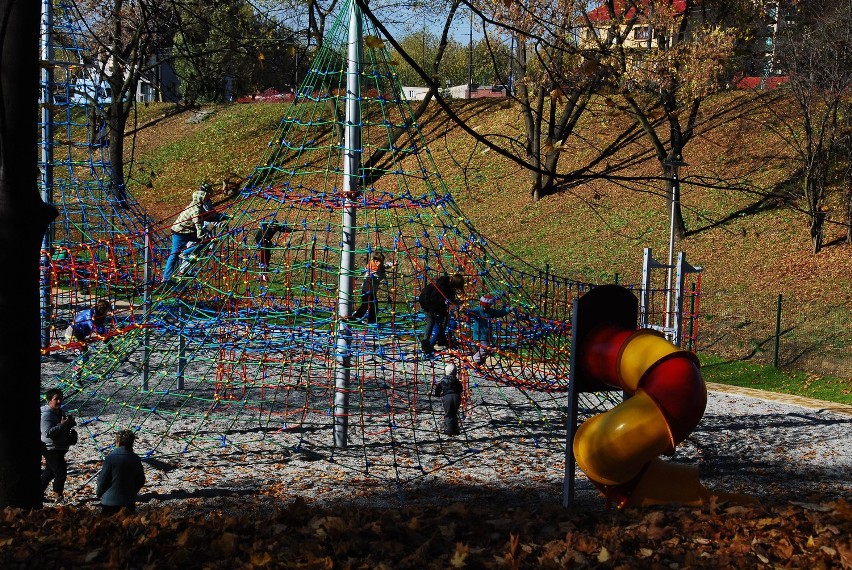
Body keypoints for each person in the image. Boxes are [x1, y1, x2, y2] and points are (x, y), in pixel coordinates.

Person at [162, 184, 210, 283]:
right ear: (200, 198)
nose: (206, 199)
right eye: (204, 197)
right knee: (175, 254)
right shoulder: (195, 209)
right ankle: (184, 254)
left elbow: (209, 215)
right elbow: (198, 224)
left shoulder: (196, 205)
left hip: (184, 231)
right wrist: (202, 236)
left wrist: (221, 216)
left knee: (175, 254)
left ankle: (167, 276)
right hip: (180, 233)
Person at [96, 430, 146, 515]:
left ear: (118, 443)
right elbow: (141, 480)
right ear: (132, 443)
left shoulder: (110, 458)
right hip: (128, 501)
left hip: (109, 502)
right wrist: (132, 492)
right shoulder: (136, 459)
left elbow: (102, 480)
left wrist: (99, 493)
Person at [40, 388, 76, 504]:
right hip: (50, 448)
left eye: (61, 399)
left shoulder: (60, 412)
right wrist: (62, 425)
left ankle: (37, 493)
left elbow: (62, 427)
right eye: (56, 399)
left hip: (59, 447)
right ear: (49, 400)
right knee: (61, 472)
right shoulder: (46, 415)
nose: (59, 401)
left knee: (50, 472)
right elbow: (47, 433)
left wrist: (69, 424)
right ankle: (58, 498)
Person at [418, 273, 465, 357]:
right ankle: (425, 344)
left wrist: (457, 302)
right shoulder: (441, 285)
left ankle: (441, 337)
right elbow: (436, 299)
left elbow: (449, 300)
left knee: (445, 317)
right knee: (431, 321)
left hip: (435, 303)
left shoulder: (448, 287)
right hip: (427, 301)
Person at [348, 251, 394, 323]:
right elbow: (377, 278)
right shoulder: (372, 269)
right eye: (381, 262)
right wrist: (383, 275)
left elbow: (385, 265)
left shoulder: (378, 265)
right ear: (376, 261)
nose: (382, 263)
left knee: (372, 305)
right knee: (367, 305)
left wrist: (392, 264)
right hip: (367, 290)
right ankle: (358, 317)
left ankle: (368, 318)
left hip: (372, 290)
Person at [468, 294, 511, 365]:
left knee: (489, 349)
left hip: (487, 335)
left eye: (487, 307)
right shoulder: (477, 310)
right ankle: (472, 360)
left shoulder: (490, 311)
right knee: (485, 349)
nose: (485, 309)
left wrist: (508, 310)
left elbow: (499, 313)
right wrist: (464, 310)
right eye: (484, 307)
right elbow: (470, 312)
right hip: (479, 334)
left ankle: (479, 363)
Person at [432, 363, 463, 436]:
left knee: (448, 414)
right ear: (455, 373)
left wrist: (437, 394)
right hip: (456, 397)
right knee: (454, 413)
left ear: (445, 372)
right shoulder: (456, 380)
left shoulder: (443, 380)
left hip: (447, 397)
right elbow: (460, 389)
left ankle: (449, 430)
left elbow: (438, 389)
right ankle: (455, 429)